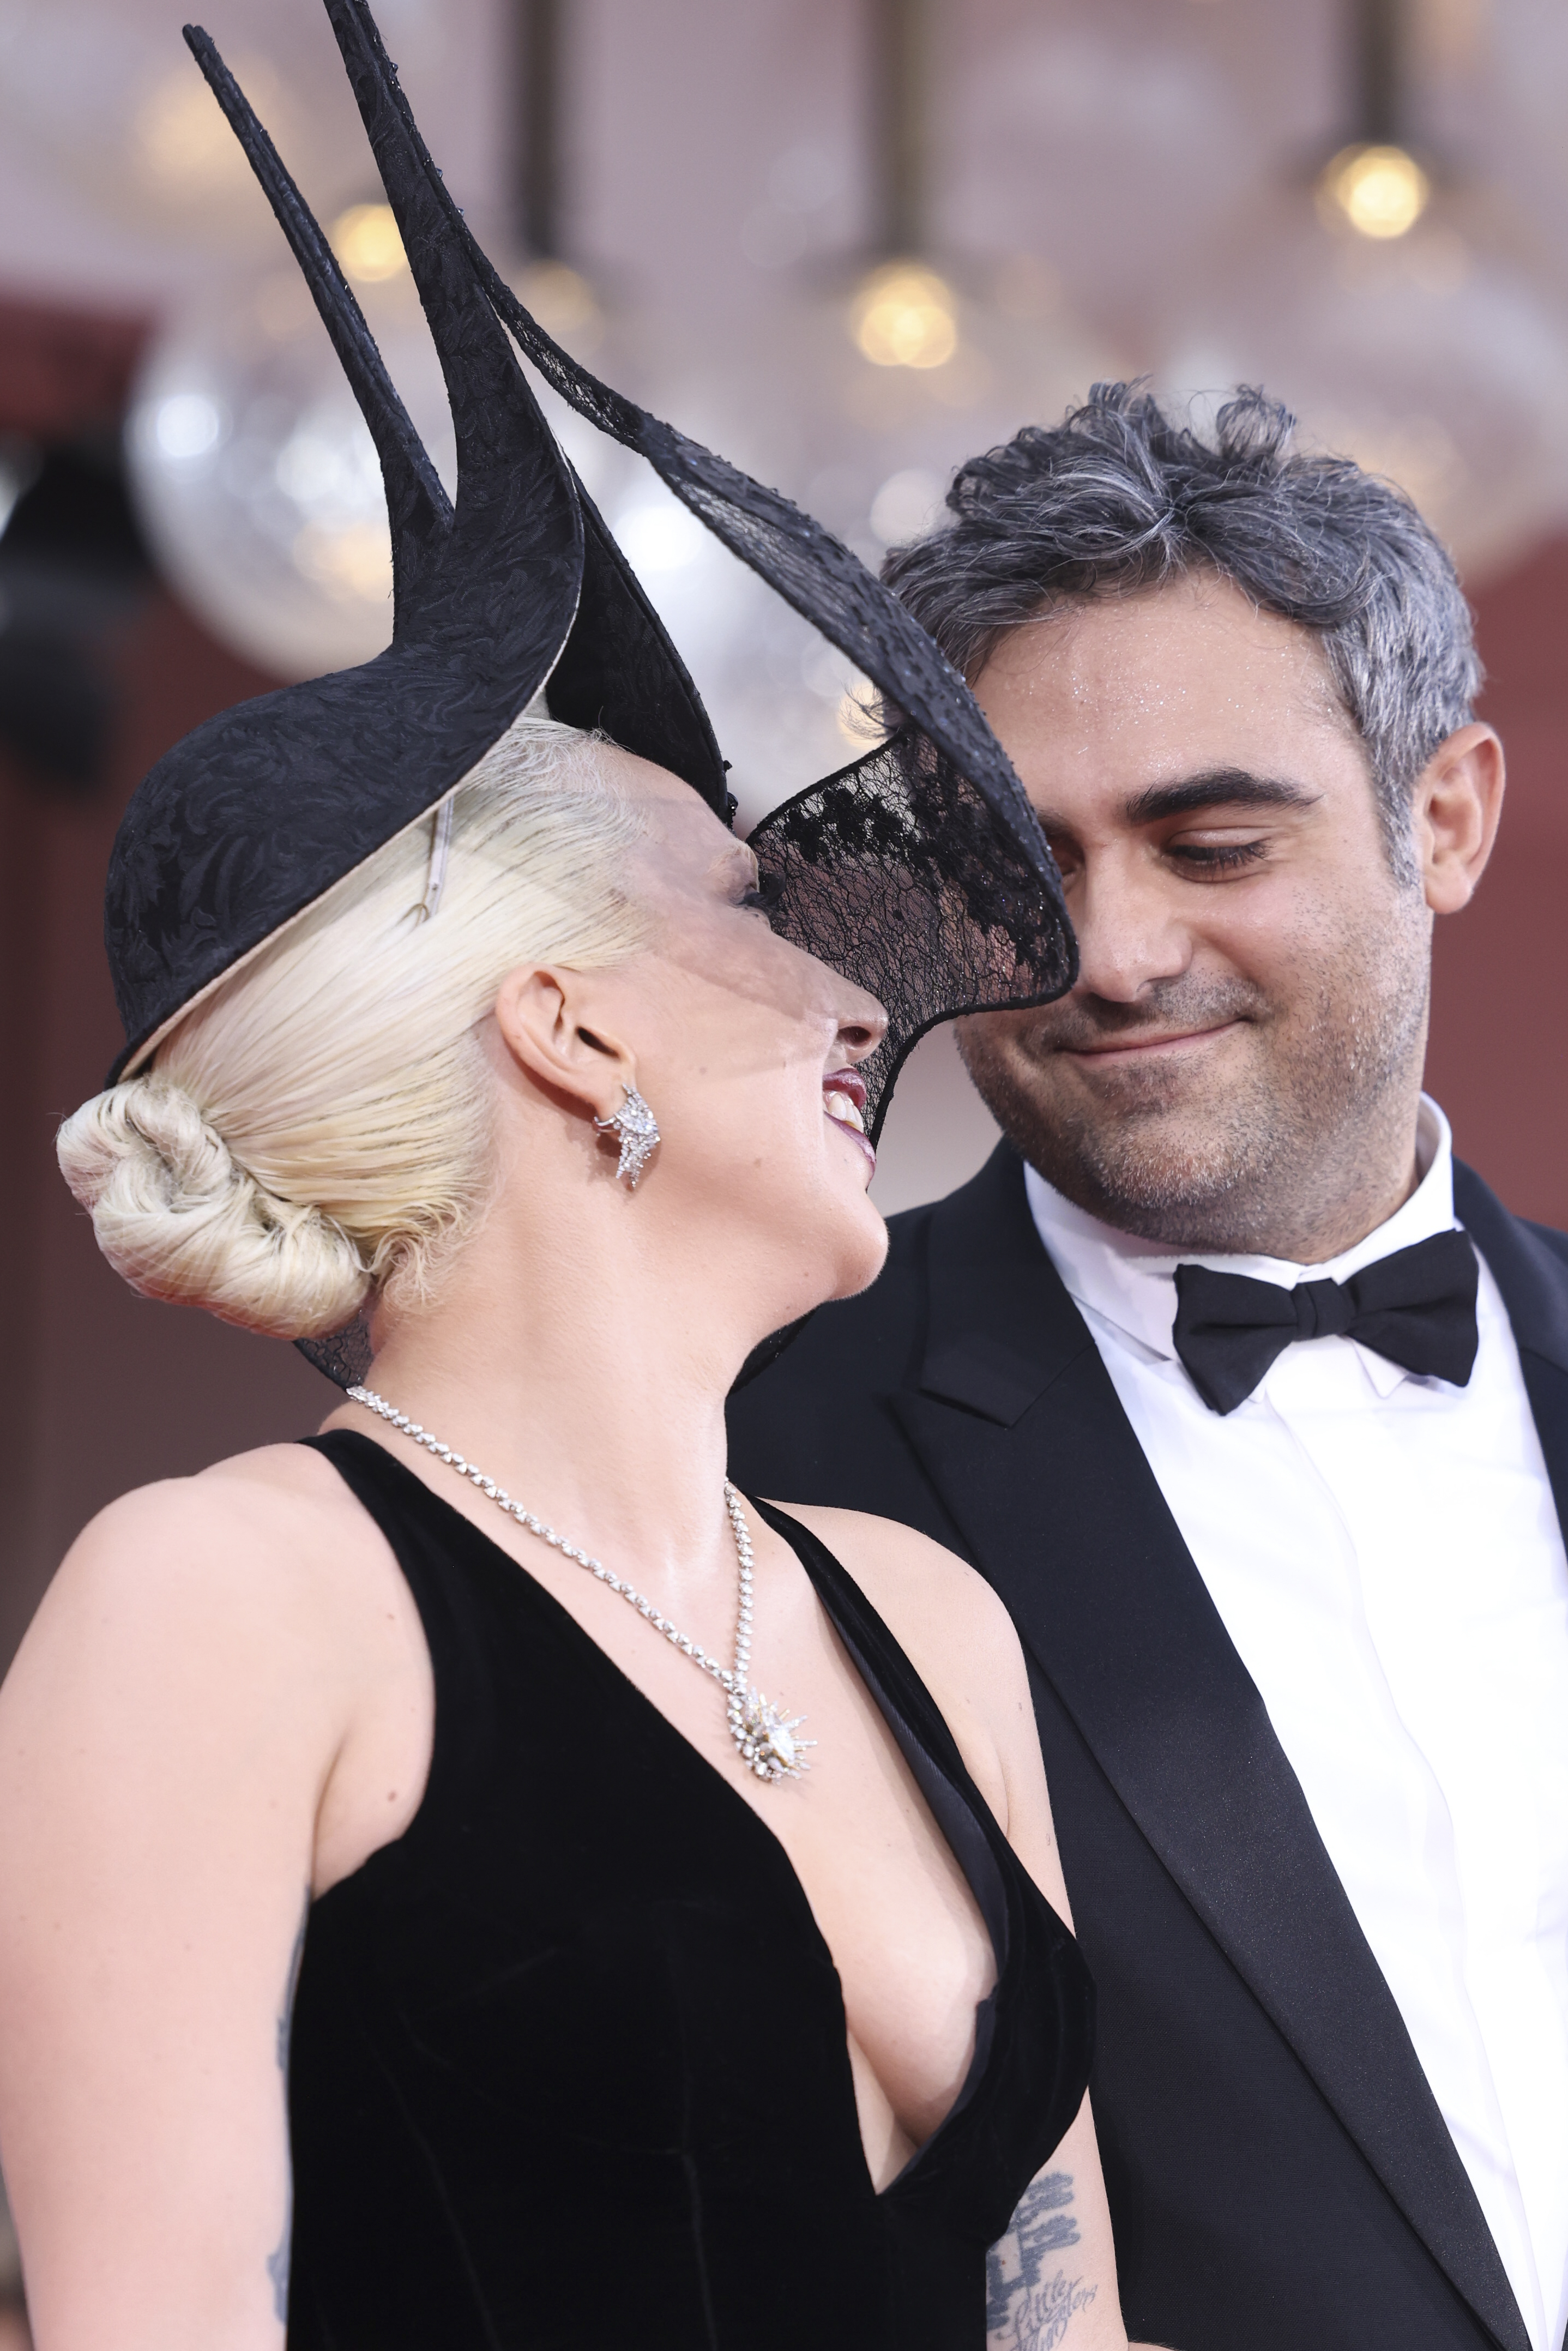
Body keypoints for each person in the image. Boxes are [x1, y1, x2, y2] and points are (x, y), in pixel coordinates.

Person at [0, 8, 1146, 2348]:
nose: (864, 1002)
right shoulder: (222, 1604)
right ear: (566, 1021)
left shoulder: (930, 1623)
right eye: (755, 911)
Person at [729, 384, 1568, 2351]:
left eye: (1208, 843)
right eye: (1026, 865)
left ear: (1440, 820)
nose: (1106, 953)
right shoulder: (760, 1453)